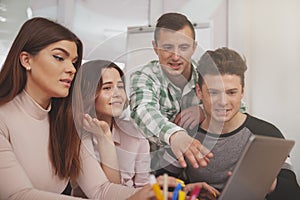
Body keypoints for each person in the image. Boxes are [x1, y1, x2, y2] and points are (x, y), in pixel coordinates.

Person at [0, 17, 180, 200]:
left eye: (74, 62)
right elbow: (17, 195)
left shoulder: (68, 122)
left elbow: (101, 190)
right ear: (26, 60)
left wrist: (155, 194)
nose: (71, 69)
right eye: (59, 57)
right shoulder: (3, 119)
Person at [163, 47, 300, 199]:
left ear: (242, 92)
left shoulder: (267, 134)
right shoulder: (186, 136)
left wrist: (270, 184)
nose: (223, 102)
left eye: (231, 92)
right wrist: (186, 191)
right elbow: (161, 184)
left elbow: (293, 193)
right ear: (199, 92)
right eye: (213, 92)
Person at [130, 12, 213, 174]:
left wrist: (205, 110)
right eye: (167, 47)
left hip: (202, 171)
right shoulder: (144, 77)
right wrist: (176, 135)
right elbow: (143, 111)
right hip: (157, 174)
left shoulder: (206, 74)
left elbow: (239, 106)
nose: (175, 56)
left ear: (194, 47)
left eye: (183, 47)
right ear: (155, 47)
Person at [73, 60, 151, 193]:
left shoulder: (136, 135)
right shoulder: (77, 136)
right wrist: (104, 137)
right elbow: (106, 191)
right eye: (107, 88)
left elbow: (144, 188)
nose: (118, 94)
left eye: (120, 87)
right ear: (88, 93)